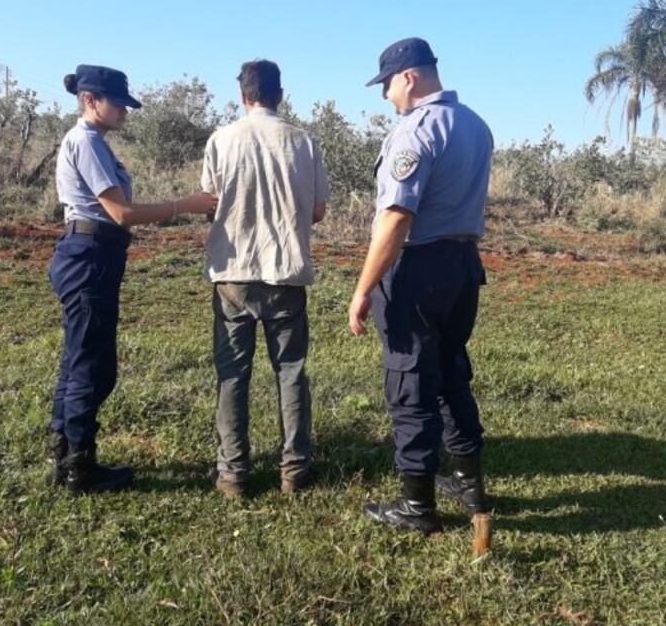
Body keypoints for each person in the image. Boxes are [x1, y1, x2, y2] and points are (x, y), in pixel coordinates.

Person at [348, 38, 494, 533]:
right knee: (451, 371)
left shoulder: (415, 131)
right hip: (463, 266)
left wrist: (363, 288)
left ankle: (417, 507)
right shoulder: (475, 125)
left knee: (409, 381)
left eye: (386, 84)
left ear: (408, 77)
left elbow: (395, 218)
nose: (385, 96)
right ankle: (469, 482)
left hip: (417, 271)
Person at [49, 64, 217, 494]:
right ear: (91, 100)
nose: (125, 111)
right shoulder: (87, 142)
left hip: (91, 253)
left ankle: (67, 455)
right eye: (118, 103)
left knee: (79, 358)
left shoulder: (93, 142)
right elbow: (122, 213)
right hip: (90, 256)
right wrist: (186, 204)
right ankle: (79, 467)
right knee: (92, 366)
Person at [201, 59, 330, 499]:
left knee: (232, 375)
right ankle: (295, 469)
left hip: (233, 273)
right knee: (290, 372)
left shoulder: (221, 140)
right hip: (286, 273)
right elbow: (317, 210)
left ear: (243, 96)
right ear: (280, 95)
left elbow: (210, 203)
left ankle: (233, 473)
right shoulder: (303, 142)